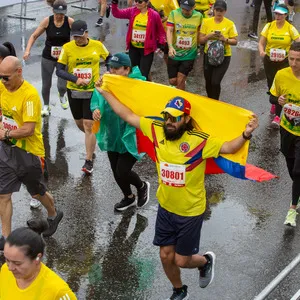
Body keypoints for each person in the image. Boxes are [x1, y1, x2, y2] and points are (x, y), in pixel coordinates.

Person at [96, 88, 258, 298]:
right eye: (167, 117)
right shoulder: (156, 129)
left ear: (186, 118)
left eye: (175, 118)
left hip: (190, 211)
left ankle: (205, 261)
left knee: (182, 260)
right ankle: (179, 290)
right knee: (165, 256)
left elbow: (228, 147)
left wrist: (246, 134)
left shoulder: (199, 141)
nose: (169, 122)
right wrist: (106, 92)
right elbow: (127, 114)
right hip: (166, 207)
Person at [0, 56, 63, 250]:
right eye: (0, 77)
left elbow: (28, 129)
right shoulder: (2, 87)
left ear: (19, 72)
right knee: (3, 195)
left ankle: (53, 214)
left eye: (6, 77)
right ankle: (7, 238)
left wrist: (6, 133)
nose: (3, 81)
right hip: (6, 151)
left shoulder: (30, 96)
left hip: (29, 153)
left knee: (36, 193)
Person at [91, 53, 150, 211]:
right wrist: (96, 110)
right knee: (115, 171)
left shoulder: (138, 84)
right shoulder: (107, 82)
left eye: (116, 68)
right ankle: (128, 197)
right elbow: (96, 99)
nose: (112, 71)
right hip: (112, 134)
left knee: (122, 170)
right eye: (111, 67)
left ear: (127, 69)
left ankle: (142, 186)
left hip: (131, 134)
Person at [56, 20, 111, 175]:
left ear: (86, 33)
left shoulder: (97, 45)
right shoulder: (67, 48)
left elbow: (109, 59)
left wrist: (107, 72)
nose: (78, 39)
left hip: (92, 91)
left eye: (80, 36)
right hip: (74, 91)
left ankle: (88, 161)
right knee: (80, 124)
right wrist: (76, 79)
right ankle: (90, 144)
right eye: (75, 37)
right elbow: (59, 71)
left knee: (88, 125)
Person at [0, 219, 77, 299]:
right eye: (7, 260)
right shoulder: (5, 270)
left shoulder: (58, 291)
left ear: (38, 258)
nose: (10, 268)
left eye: (17, 263)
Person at [23, 0, 74, 117]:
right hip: (48, 57)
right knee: (46, 84)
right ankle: (46, 105)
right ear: (53, 11)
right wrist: (27, 50)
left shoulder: (70, 21)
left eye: (62, 13)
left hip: (63, 58)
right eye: (57, 13)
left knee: (62, 86)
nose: (60, 16)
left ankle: (62, 95)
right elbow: (34, 36)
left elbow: (79, 36)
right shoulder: (47, 21)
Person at [269, 42, 300, 227]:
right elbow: (272, 97)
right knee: (291, 167)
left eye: (298, 60)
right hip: (287, 129)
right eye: (291, 59)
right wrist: (277, 100)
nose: (294, 63)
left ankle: (292, 210)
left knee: (298, 170)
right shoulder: (281, 75)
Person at [258, 4, 300, 128]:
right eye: (276, 13)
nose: (278, 16)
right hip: (269, 60)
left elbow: (298, 43)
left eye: (281, 14)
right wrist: (262, 52)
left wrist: (292, 56)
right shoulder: (269, 26)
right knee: (272, 85)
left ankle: (277, 116)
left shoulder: (290, 28)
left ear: (286, 15)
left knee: (282, 86)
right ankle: (275, 101)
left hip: (284, 62)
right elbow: (261, 42)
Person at [111, 0, 166, 80]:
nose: (137, 3)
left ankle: (145, 89)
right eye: (136, 1)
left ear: (147, 3)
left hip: (147, 50)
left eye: (140, 2)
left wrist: (161, 44)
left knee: (143, 75)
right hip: (134, 48)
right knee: (133, 73)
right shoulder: (132, 11)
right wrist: (114, 3)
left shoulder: (154, 15)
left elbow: (161, 32)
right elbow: (117, 14)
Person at [199, 0, 238, 100]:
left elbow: (235, 41)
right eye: (217, 10)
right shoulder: (206, 22)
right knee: (208, 81)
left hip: (224, 56)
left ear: (225, 11)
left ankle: (215, 101)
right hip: (209, 56)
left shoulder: (230, 24)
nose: (219, 12)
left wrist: (224, 39)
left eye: (221, 10)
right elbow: (200, 40)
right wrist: (209, 36)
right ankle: (210, 100)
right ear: (213, 10)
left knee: (215, 82)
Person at [167, 0, 203, 90]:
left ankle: (180, 100)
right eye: (183, 8)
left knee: (180, 78)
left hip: (189, 53)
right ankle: (180, 86)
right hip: (175, 52)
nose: (184, 11)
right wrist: (170, 47)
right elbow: (169, 30)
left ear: (194, 7)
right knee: (172, 81)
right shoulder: (174, 14)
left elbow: (199, 32)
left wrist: (198, 45)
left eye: (187, 9)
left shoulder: (199, 16)